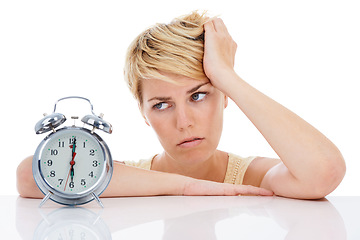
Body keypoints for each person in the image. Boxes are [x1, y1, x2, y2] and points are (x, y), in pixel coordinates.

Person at [17, 11, 345, 199]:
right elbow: (30, 176)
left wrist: (227, 77)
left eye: (198, 95)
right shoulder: (126, 179)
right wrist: (185, 186)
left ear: (225, 95)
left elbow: (324, 171)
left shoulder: (250, 176)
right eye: (162, 105)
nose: (184, 122)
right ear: (143, 113)